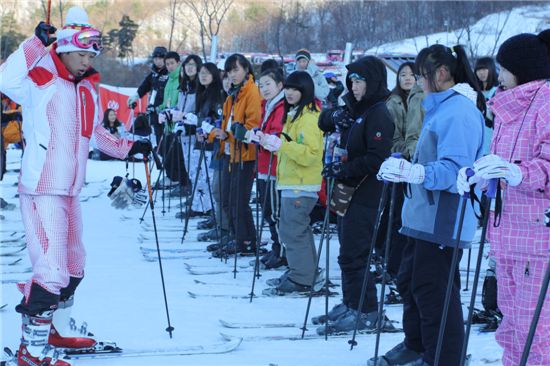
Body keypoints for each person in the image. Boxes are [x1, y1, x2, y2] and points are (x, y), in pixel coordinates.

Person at [0, 7, 151, 366]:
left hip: (70, 191)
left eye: (92, 55)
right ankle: (32, 350)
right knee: (51, 271)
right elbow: (5, 79)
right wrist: (36, 43)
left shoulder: (87, 90)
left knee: (74, 266)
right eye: (81, 53)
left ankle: (55, 328)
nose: (87, 61)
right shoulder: (41, 77)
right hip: (41, 189)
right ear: (63, 49)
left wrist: (130, 146)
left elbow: (95, 133)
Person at [373, 44, 486, 366]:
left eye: (422, 75)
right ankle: (417, 344)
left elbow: (456, 170)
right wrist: (407, 164)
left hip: (443, 219)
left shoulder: (460, 112)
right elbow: (432, 158)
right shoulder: (441, 107)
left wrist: (415, 171)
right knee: (410, 280)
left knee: (434, 292)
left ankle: (443, 357)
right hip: (422, 215)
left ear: (441, 74)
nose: (419, 82)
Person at [457, 30, 550, 366]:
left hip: (538, 239)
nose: (498, 74)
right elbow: (500, 166)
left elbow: (545, 166)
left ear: (521, 68)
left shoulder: (546, 102)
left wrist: (518, 173)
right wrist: (479, 177)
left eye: (504, 67)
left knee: (535, 332)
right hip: (508, 235)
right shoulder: (509, 108)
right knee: (511, 328)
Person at [316, 56, 395, 334]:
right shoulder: (353, 106)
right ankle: (352, 302)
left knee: (356, 254)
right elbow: (323, 121)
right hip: (346, 188)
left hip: (366, 192)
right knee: (346, 251)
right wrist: (334, 116)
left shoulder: (378, 113)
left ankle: (367, 309)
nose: (354, 85)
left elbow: (377, 159)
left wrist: (345, 167)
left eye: (359, 80)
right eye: (352, 80)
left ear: (372, 81)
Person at [258, 71, 323, 294]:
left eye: (296, 89)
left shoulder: (309, 118)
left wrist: (281, 146)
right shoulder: (295, 115)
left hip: (301, 185)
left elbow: (311, 154)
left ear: (305, 91)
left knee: (293, 231)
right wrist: (272, 143)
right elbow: (289, 147)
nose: (290, 93)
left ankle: (303, 278)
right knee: (291, 230)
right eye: (288, 88)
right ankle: (303, 271)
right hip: (290, 182)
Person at [208, 53, 262, 257]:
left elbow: (251, 126)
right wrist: (217, 134)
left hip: (245, 154)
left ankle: (246, 240)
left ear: (246, 69)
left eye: (236, 70)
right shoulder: (234, 93)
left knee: (239, 200)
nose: (232, 74)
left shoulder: (251, 92)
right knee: (229, 198)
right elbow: (227, 122)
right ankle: (236, 236)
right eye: (229, 71)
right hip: (231, 152)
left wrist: (228, 135)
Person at [379, 61, 424, 296]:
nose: (407, 78)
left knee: (406, 215)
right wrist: (401, 151)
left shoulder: (422, 97)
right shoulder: (392, 100)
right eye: (402, 74)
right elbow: (392, 132)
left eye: (411, 74)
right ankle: (389, 260)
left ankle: (396, 263)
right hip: (399, 160)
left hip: (417, 162)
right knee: (394, 213)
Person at [193, 62, 227, 242]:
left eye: (207, 73)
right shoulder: (203, 93)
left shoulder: (218, 94)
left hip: (218, 142)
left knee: (216, 185)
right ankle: (218, 218)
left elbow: (218, 118)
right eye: (201, 73)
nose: (203, 76)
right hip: (209, 142)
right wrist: (200, 129)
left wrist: (208, 129)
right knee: (212, 183)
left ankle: (222, 223)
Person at [256, 68, 286, 269]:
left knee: (276, 213)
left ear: (279, 85)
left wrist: (262, 138)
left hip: (275, 168)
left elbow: (279, 135)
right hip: (263, 165)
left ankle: (282, 251)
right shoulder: (268, 105)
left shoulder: (281, 107)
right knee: (268, 211)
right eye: (261, 85)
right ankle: (276, 247)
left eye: (268, 84)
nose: (264, 89)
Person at [127, 45, 168, 145]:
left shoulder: (169, 72)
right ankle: (159, 156)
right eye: (156, 59)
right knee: (157, 136)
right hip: (153, 110)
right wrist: (136, 96)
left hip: (165, 110)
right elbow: (144, 86)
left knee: (165, 137)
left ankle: (165, 157)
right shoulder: (153, 73)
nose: (158, 61)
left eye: (160, 59)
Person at [474, 57, 499, 155]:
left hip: (492, 140)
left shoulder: (498, 91)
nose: (481, 73)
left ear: (491, 69)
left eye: (484, 69)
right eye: (478, 70)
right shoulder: (474, 92)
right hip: (476, 139)